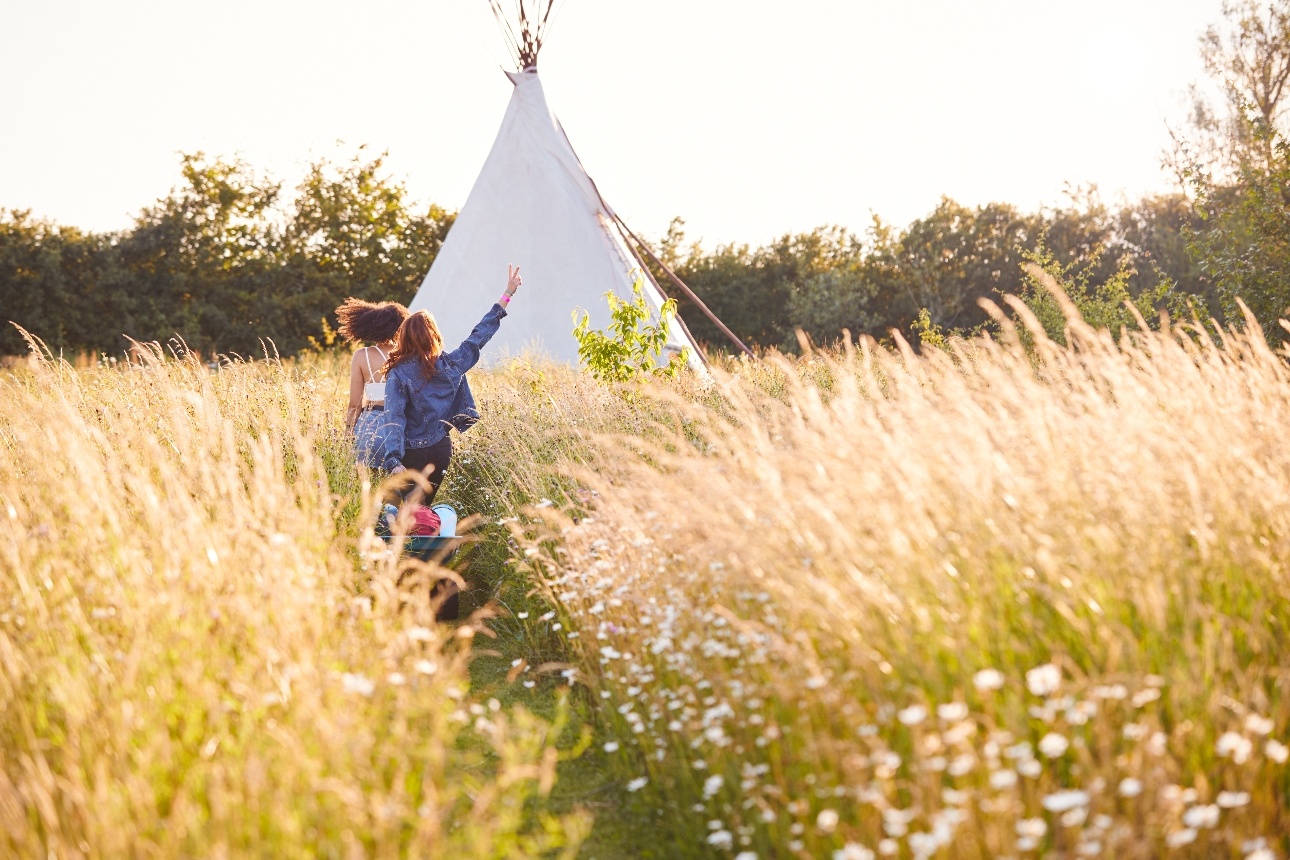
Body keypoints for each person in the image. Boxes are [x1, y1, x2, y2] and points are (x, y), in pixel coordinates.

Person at [380, 265, 523, 504]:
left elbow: (393, 418)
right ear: (433, 335)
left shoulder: (398, 373)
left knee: (407, 512)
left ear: (404, 337)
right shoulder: (452, 364)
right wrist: (507, 294)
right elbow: (479, 336)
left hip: (411, 453)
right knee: (423, 510)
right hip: (441, 450)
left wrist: (393, 459)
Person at [335, 297, 409, 468]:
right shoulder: (408, 355)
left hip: (371, 428)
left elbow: (355, 405)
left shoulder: (362, 356)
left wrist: (348, 434)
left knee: (368, 487)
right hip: (404, 427)